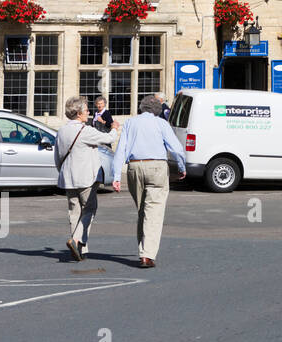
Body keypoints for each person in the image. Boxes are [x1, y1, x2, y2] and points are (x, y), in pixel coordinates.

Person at [111, 95, 186, 268]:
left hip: (135, 167)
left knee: (142, 211)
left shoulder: (130, 123)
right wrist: (181, 167)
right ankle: (147, 255)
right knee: (154, 212)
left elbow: (120, 149)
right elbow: (176, 148)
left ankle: (143, 250)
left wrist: (116, 176)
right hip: (157, 166)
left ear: (141, 108)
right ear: (157, 111)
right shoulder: (161, 124)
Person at [54, 96, 120, 261]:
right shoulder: (85, 130)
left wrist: (62, 170)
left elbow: (57, 156)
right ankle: (76, 240)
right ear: (78, 113)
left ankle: (81, 248)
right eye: (86, 110)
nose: (89, 113)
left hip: (68, 177)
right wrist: (114, 128)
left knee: (74, 211)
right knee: (89, 209)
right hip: (85, 177)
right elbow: (109, 139)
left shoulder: (62, 131)